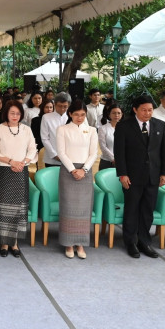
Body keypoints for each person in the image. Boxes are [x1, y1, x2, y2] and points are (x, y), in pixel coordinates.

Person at [114, 95, 165, 259]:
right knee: (131, 209)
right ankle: (130, 242)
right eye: (144, 110)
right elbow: (119, 152)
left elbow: (164, 151)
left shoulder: (160, 125)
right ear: (135, 110)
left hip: (153, 176)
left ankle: (144, 241)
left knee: (147, 210)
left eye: (150, 110)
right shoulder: (124, 126)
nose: (147, 113)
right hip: (132, 176)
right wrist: (122, 174)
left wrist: (164, 173)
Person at [0, 100, 37, 258]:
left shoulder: (26, 129)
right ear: (6, 114)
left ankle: (14, 242)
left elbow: (32, 149)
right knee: (4, 208)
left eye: (18, 113)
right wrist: (11, 162)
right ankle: (4, 242)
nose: (15, 116)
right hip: (4, 171)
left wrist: (22, 163)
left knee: (18, 208)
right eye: (12, 113)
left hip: (21, 171)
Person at [56, 100, 98, 260]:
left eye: (82, 115)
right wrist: (73, 169)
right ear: (70, 114)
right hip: (68, 171)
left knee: (84, 209)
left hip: (85, 172)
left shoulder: (92, 130)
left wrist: (84, 169)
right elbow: (61, 152)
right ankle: (68, 243)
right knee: (68, 207)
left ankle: (80, 244)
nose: (79, 117)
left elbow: (94, 153)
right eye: (76, 114)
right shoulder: (62, 129)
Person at [40, 92, 70, 167]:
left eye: (65, 106)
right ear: (55, 104)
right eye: (60, 106)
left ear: (69, 105)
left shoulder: (71, 117)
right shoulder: (46, 117)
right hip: (52, 158)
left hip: (69, 157)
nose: (62, 109)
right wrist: (55, 155)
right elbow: (45, 138)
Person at [98, 103, 123, 170]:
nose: (116, 115)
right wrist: (113, 159)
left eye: (119, 113)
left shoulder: (126, 128)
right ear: (109, 114)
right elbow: (103, 146)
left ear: (122, 114)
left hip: (123, 162)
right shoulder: (103, 128)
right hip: (107, 162)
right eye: (114, 113)